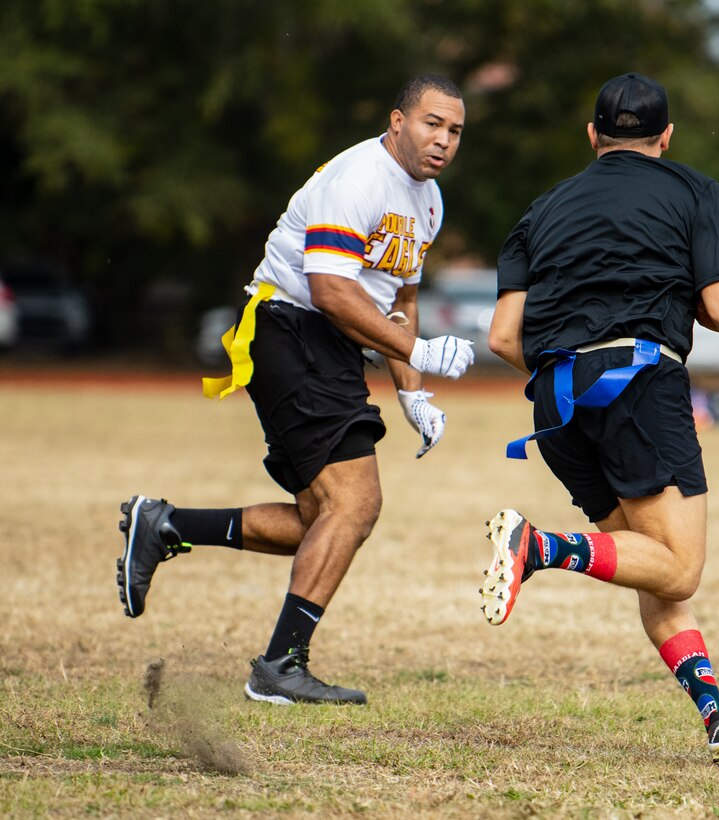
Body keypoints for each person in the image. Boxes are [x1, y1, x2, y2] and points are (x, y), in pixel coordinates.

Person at [116, 74, 475, 706]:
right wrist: (418, 353)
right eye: (431, 123)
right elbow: (332, 290)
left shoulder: (430, 201)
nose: (443, 140)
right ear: (397, 121)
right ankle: (280, 664)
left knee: (322, 517)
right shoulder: (358, 180)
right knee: (355, 506)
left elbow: (402, 298)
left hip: (322, 342)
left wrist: (413, 394)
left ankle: (166, 526)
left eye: (454, 130)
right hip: (290, 329)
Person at [484, 73, 719, 764]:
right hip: (637, 385)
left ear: (592, 136)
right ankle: (539, 547)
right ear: (666, 136)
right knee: (679, 571)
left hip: (555, 402)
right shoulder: (694, 190)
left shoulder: (541, 210)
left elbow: (504, 339)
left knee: (648, 567)